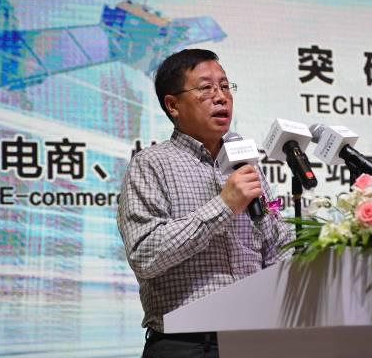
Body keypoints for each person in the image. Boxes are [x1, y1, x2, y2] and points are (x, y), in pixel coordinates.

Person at [117, 49, 293, 358]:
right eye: (206, 88)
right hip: (188, 345)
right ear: (173, 105)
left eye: (225, 86)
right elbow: (145, 255)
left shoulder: (245, 165)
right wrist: (224, 205)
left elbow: (275, 244)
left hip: (256, 338)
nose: (221, 97)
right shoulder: (151, 164)